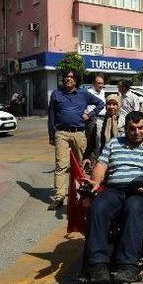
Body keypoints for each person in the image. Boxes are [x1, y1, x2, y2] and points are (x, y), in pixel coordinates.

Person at [82, 111, 143, 283]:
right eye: (132, 129)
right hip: (115, 189)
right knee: (98, 206)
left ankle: (128, 266)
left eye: (141, 128)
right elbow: (101, 166)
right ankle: (97, 264)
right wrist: (95, 182)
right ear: (125, 129)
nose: (137, 132)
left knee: (134, 208)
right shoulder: (113, 143)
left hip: (141, 191)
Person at [47, 69, 104, 210]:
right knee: (61, 166)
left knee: (81, 166)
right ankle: (59, 197)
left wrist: (90, 115)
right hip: (61, 134)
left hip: (79, 133)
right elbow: (51, 116)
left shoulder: (83, 94)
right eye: (66, 76)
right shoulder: (56, 94)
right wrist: (51, 135)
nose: (69, 79)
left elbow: (100, 104)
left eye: (72, 77)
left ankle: (83, 195)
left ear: (76, 80)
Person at [83, 94, 126, 167]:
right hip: (102, 159)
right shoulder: (99, 122)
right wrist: (86, 157)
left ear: (119, 106)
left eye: (114, 104)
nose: (111, 107)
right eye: (109, 104)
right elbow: (92, 142)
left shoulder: (124, 121)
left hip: (120, 159)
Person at [85, 74, 107, 157]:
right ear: (93, 83)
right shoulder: (88, 92)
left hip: (103, 118)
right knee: (94, 141)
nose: (101, 85)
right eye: (99, 83)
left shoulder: (103, 92)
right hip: (93, 119)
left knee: (102, 140)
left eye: (102, 83)